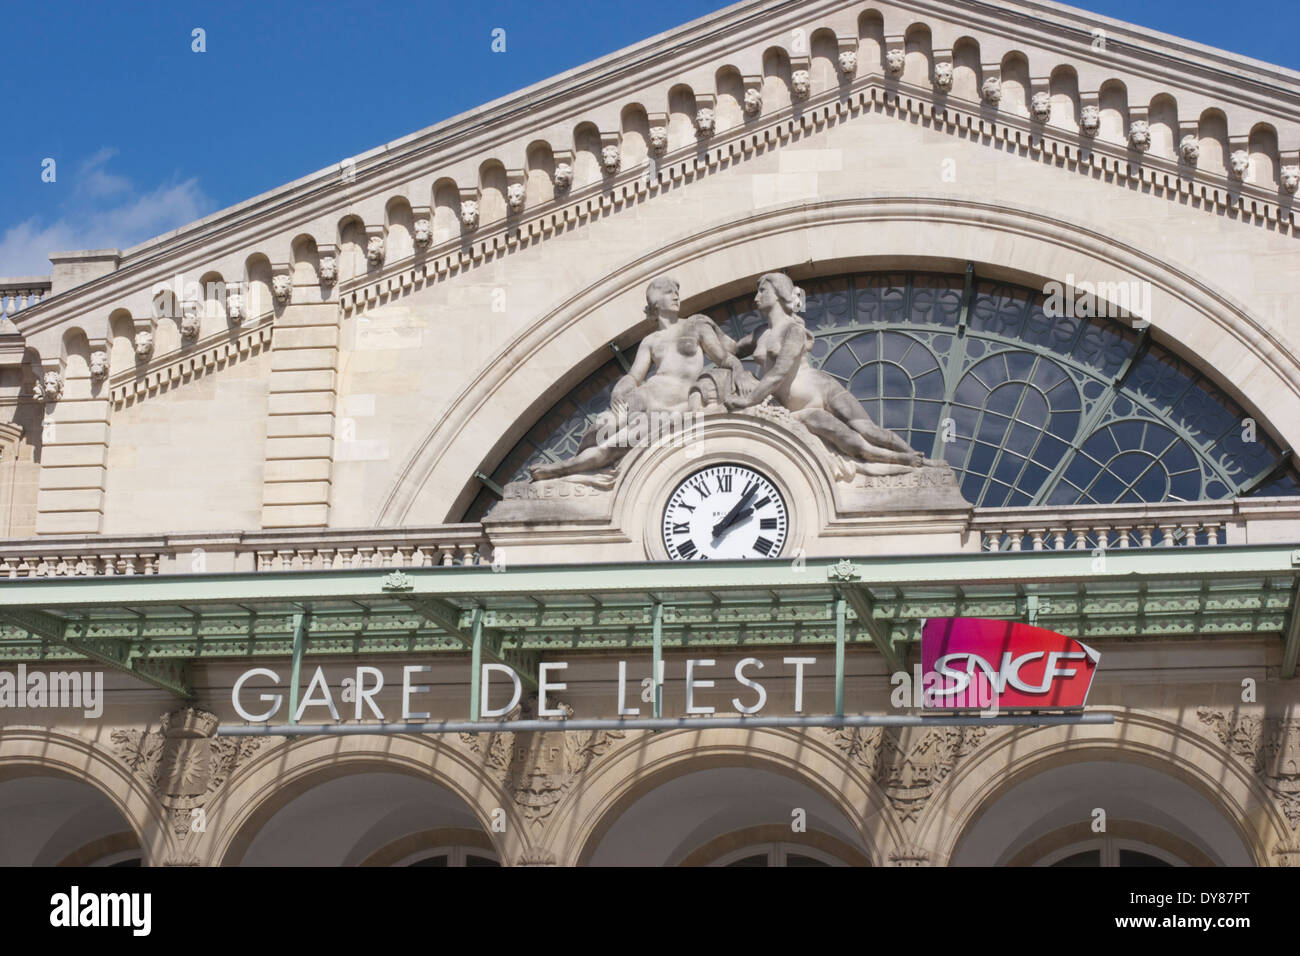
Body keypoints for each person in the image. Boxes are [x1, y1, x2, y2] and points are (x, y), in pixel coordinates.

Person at [529, 276, 746, 480]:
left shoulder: (695, 326)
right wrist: (618, 390)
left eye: (676, 292)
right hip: (643, 398)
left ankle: (563, 468)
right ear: (655, 302)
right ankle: (569, 464)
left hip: (670, 409)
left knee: (614, 446)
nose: (676, 297)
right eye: (669, 292)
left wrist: (740, 372)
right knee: (602, 426)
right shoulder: (650, 341)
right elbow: (634, 375)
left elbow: (723, 357)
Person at [723, 272, 927, 468]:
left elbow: (779, 372)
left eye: (762, 290)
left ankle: (917, 460)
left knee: (868, 429)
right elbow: (728, 351)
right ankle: (899, 458)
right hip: (798, 407)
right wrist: (701, 326)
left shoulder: (794, 330)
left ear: (779, 293)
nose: (756, 297)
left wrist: (749, 400)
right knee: (848, 440)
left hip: (822, 389)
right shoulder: (760, 333)